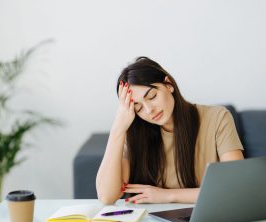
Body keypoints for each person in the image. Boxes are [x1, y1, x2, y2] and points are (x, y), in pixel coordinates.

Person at [96, 57, 244, 205]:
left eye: (152, 96)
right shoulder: (134, 133)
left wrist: (167, 195)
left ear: (169, 85)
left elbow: (236, 187)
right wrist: (117, 129)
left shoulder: (217, 118)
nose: (149, 110)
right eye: (138, 107)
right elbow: (107, 197)